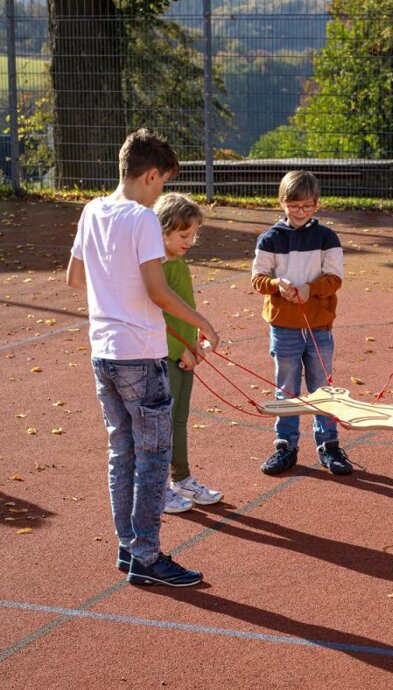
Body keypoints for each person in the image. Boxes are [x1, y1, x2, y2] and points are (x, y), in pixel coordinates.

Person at [66, 129, 220, 587]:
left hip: (103, 353)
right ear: (150, 175)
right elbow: (158, 291)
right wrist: (204, 324)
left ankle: (129, 546)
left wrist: (116, 294)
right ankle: (147, 557)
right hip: (140, 355)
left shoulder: (91, 210)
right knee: (153, 458)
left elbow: (76, 278)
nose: (159, 194)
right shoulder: (142, 219)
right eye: (160, 183)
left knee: (122, 454)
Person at [251, 170, 352, 476]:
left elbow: (335, 278)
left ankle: (329, 445)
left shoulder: (326, 237)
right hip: (284, 326)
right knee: (287, 388)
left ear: (317, 205)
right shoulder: (270, 239)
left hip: (319, 325)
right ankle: (285, 445)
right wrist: (276, 285)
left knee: (322, 387)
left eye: (307, 207)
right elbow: (258, 278)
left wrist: (310, 289)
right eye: (294, 206)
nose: (300, 212)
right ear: (282, 203)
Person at [154, 193, 223, 514]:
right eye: (184, 235)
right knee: (162, 423)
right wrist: (181, 349)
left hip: (184, 354)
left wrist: (194, 344)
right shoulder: (156, 268)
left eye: (194, 235)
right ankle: (159, 487)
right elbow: (158, 314)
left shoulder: (179, 263)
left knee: (179, 420)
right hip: (165, 356)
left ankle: (180, 478)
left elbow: (185, 309)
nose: (190, 241)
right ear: (162, 230)